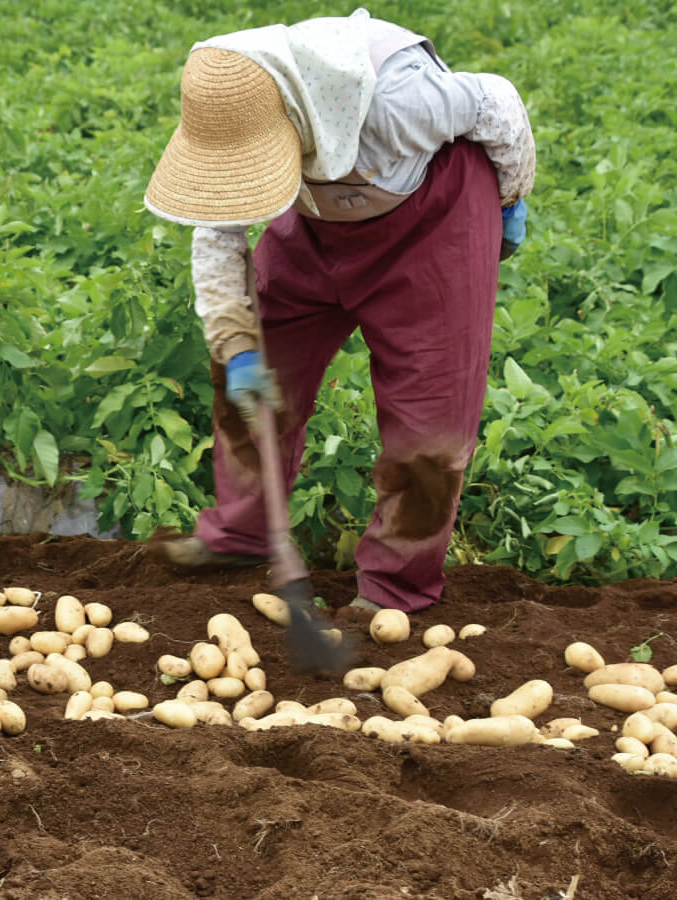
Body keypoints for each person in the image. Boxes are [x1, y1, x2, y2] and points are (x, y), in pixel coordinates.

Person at [145, 8, 535, 613]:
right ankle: (244, 533)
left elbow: (499, 102)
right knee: (251, 365)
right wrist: (236, 343)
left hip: (433, 219)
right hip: (314, 224)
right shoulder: (230, 118)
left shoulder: (399, 100)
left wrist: (511, 197)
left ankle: (395, 586)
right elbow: (218, 238)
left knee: (429, 417)